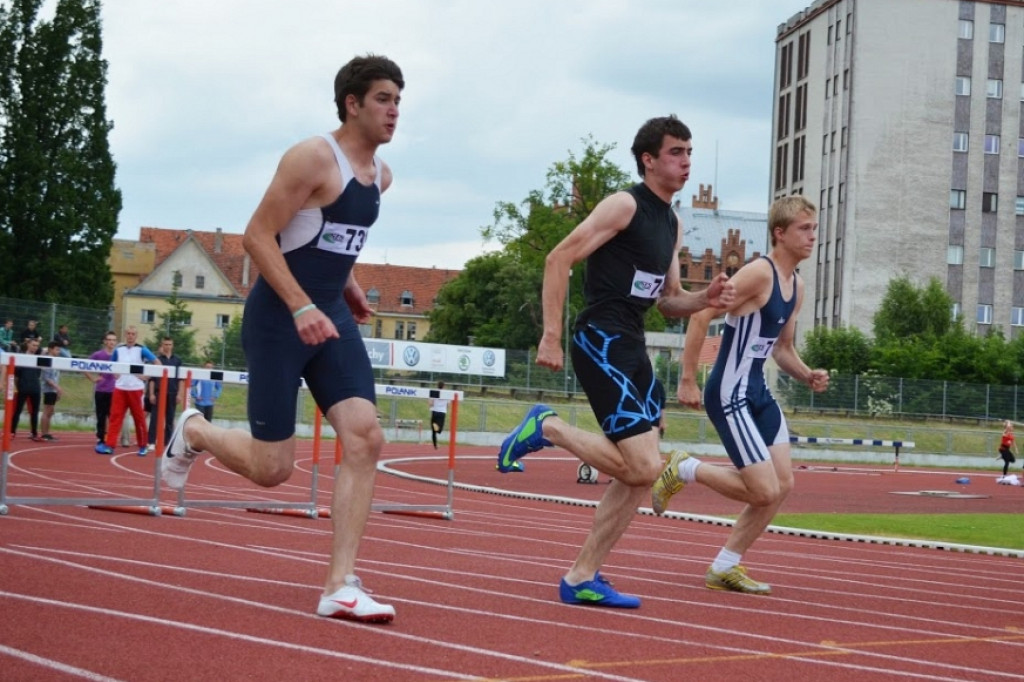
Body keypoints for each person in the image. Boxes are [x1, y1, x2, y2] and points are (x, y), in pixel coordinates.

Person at [159, 55, 403, 623]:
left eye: (398, 101)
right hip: (278, 318)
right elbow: (258, 236)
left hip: (330, 322)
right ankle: (193, 429)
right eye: (384, 99)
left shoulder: (381, 177)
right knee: (273, 470)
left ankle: (340, 584)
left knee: (365, 438)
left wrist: (351, 286)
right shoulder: (313, 156)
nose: (394, 112)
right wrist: (299, 305)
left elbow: (331, 242)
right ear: (352, 103)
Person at [496, 115, 734, 609]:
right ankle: (550, 426)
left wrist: (705, 296)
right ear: (648, 159)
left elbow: (670, 300)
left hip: (633, 342)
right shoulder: (624, 204)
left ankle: (582, 575)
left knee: (639, 475)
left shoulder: (672, 220)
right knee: (644, 465)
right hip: (600, 339)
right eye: (676, 152)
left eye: (689, 152)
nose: (686, 161)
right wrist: (551, 335)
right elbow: (558, 258)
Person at [651, 195, 830, 596]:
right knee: (763, 489)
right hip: (729, 391)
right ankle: (683, 467)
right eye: (805, 228)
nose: (813, 236)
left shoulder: (796, 286)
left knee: (781, 486)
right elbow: (701, 313)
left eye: (815, 228)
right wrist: (687, 379)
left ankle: (725, 566)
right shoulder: (758, 274)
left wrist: (807, 375)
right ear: (779, 234)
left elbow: (782, 348)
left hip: (758, 392)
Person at [102, 326, 158, 456]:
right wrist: (114, 373)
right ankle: (110, 445)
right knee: (115, 417)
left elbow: (157, 362)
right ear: (125, 335)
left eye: (133, 334)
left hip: (135, 389)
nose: (130, 336)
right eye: (128, 334)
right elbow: (111, 364)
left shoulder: (141, 349)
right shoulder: (119, 350)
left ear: (136, 336)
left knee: (139, 418)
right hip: (120, 388)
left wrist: (147, 376)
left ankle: (143, 446)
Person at [147, 336, 183, 451]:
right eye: (165, 344)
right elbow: (152, 379)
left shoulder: (177, 360)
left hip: (172, 393)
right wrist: (151, 394)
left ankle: (168, 442)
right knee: (155, 418)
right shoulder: (157, 360)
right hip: (159, 393)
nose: (167, 347)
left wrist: (180, 394)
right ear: (162, 345)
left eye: (169, 344)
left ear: (172, 346)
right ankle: (152, 441)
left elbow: (181, 379)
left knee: (170, 419)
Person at [85, 331, 118, 452]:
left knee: (113, 416)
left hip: (115, 391)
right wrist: (93, 379)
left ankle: (111, 438)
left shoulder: (118, 355)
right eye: (109, 340)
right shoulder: (98, 355)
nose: (111, 342)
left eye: (113, 340)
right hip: (101, 390)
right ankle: (100, 438)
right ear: (105, 341)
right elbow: (84, 366)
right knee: (101, 415)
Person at [10, 338, 43, 442]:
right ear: (28, 345)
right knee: (17, 411)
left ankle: (34, 433)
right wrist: (17, 387)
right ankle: (12, 432)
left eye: (36, 346)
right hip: (23, 388)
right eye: (33, 345)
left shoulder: (38, 358)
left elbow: (38, 373)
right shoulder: (21, 357)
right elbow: (16, 375)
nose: (35, 347)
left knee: (34, 412)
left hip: (35, 388)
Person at [39, 341, 63, 441]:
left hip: (53, 389)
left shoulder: (55, 360)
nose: (58, 351)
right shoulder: (47, 360)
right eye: (56, 349)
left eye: (59, 349)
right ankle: (44, 434)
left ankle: (47, 433)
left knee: (50, 411)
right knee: (47, 410)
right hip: (49, 389)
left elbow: (55, 376)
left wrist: (57, 389)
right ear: (50, 349)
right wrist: (57, 388)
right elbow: (47, 378)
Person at [428, 380, 449, 450]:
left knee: (433, 431)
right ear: (444, 386)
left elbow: (430, 403)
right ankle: (437, 430)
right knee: (439, 430)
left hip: (435, 412)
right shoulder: (447, 393)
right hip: (442, 412)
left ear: (437, 385)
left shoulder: (434, 392)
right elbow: (448, 405)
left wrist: (432, 404)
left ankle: (435, 445)